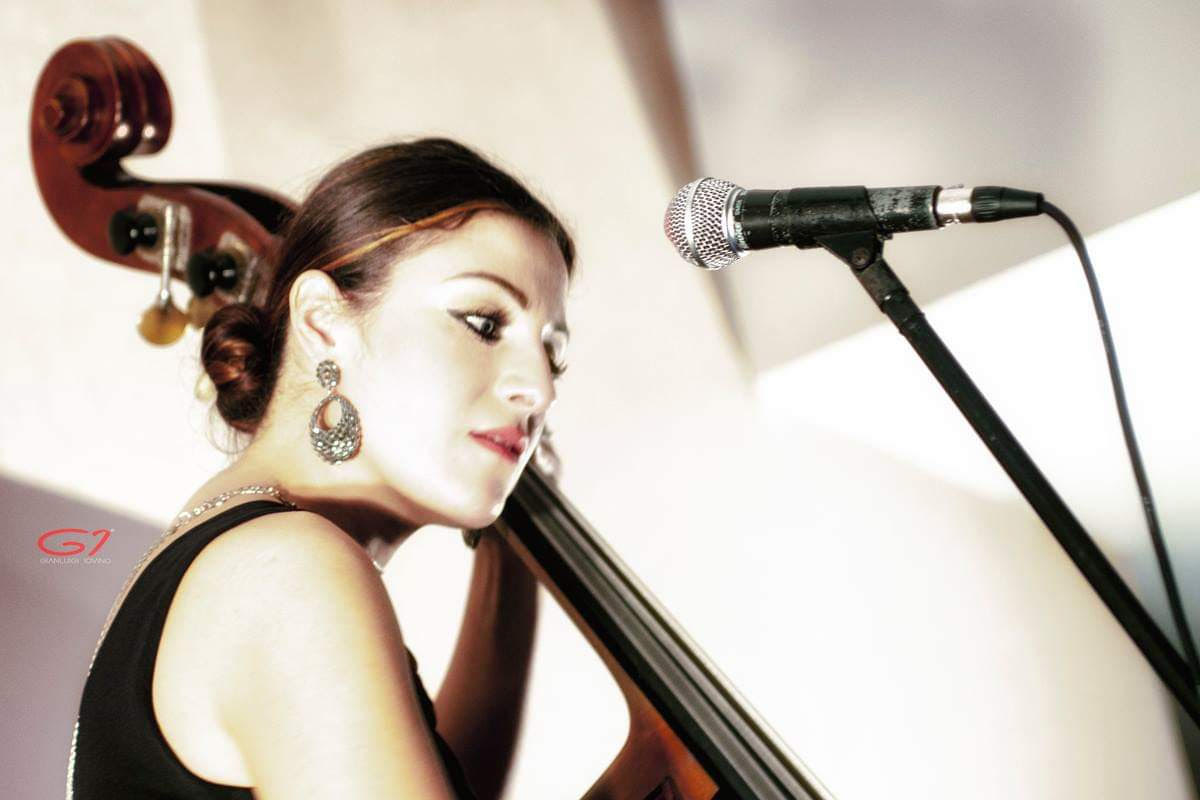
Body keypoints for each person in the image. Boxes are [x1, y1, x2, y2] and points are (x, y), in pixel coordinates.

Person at [67, 138, 575, 800]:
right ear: (323, 321)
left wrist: (513, 562)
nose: (539, 389)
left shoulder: (248, 558)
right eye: (483, 322)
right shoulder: (286, 571)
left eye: (553, 356)